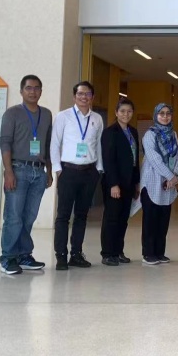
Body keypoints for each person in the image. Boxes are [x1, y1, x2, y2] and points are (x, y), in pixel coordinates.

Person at [0, 75, 53, 275]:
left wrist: (49, 170)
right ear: (21, 91)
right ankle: (8, 257)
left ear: (41, 91)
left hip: (39, 171)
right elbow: (5, 143)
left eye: (37, 88)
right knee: (14, 217)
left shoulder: (46, 114)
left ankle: (24, 255)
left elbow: (47, 144)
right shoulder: (12, 113)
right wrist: (8, 172)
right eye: (28, 88)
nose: (33, 91)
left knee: (29, 217)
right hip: (18, 169)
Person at [50, 80, 104, 270]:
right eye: (80, 94)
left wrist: (99, 169)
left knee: (82, 215)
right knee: (63, 216)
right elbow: (55, 143)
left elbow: (98, 144)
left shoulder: (97, 118)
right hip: (68, 171)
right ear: (74, 97)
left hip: (89, 172)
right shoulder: (63, 116)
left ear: (92, 97)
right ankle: (61, 255)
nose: (84, 97)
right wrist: (57, 169)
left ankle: (76, 254)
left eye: (87, 94)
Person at [99, 98, 139, 266]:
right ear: (116, 113)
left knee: (123, 218)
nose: (126, 114)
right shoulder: (110, 132)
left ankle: (118, 251)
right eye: (122, 111)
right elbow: (108, 160)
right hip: (114, 183)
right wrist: (113, 184)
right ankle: (108, 253)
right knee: (112, 218)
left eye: (129, 111)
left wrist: (137, 182)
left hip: (129, 182)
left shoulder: (133, 132)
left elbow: (135, 159)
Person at [140, 103, 178, 265]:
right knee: (150, 220)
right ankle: (148, 253)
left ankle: (159, 252)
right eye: (161, 113)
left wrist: (175, 175)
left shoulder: (173, 134)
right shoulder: (150, 134)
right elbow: (154, 159)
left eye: (168, 113)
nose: (165, 116)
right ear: (155, 115)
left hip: (168, 184)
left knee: (163, 220)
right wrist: (170, 176)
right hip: (152, 180)